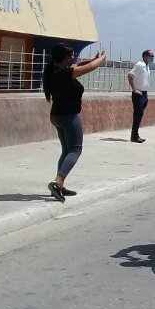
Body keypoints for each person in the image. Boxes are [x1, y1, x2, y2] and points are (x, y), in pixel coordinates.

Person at [42, 44, 107, 202]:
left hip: (57, 115)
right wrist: (103, 58)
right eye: (70, 56)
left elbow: (79, 65)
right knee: (76, 149)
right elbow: (90, 68)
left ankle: (60, 186)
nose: (73, 58)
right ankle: (58, 182)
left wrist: (94, 58)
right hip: (69, 116)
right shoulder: (63, 73)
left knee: (66, 151)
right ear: (63, 57)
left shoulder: (54, 70)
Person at [127, 49, 154, 143]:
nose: (152, 57)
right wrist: (134, 90)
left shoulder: (147, 66)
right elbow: (130, 75)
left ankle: (136, 134)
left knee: (140, 115)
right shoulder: (140, 65)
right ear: (145, 56)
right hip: (138, 94)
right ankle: (134, 136)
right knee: (137, 116)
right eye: (151, 55)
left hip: (144, 94)